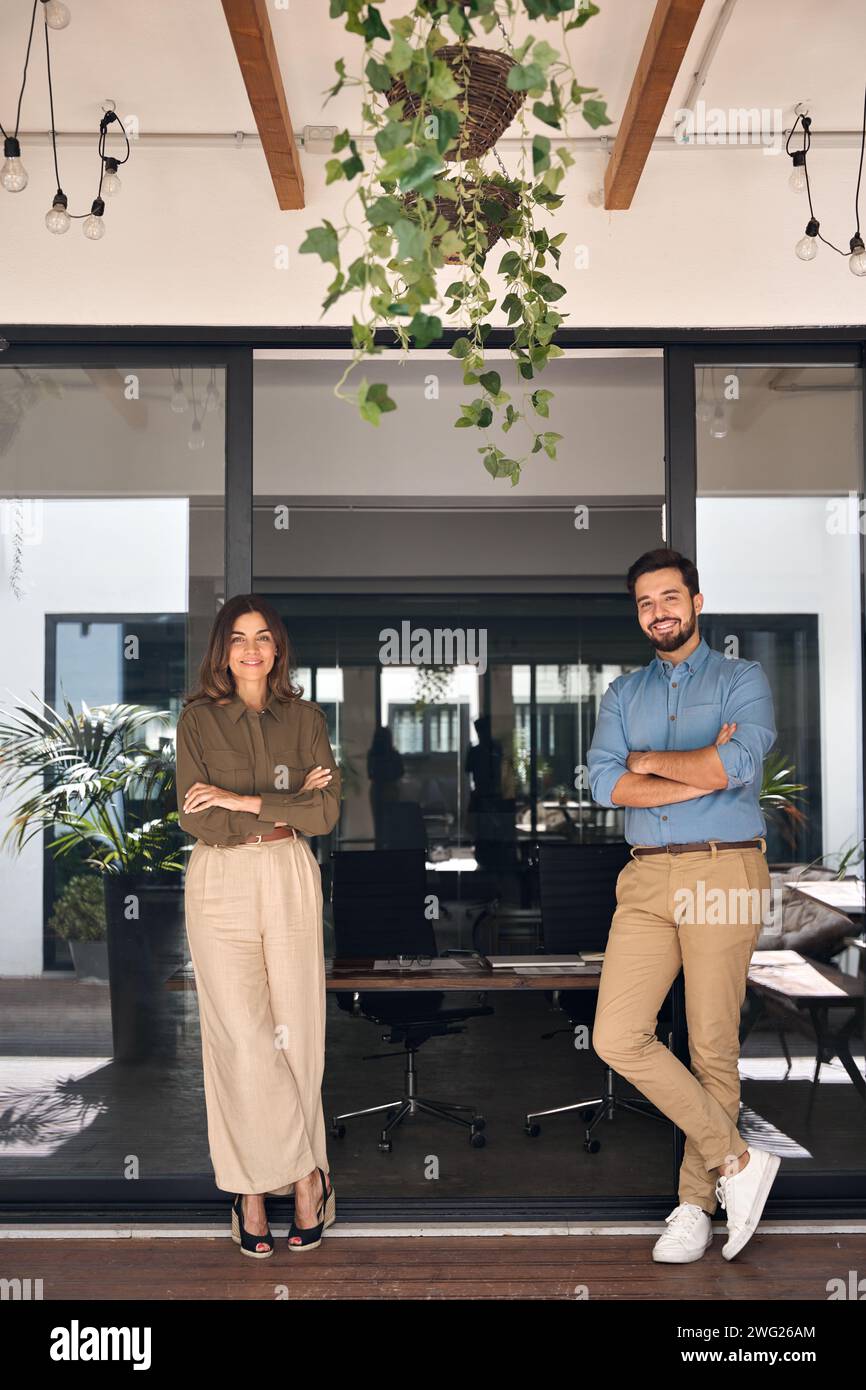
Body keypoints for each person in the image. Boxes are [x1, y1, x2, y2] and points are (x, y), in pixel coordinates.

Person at [587, 548, 781, 1264]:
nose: (659, 611)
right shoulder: (622, 695)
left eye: (670, 597)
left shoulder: (742, 679)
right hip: (644, 879)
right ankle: (737, 1159)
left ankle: (695, 1206)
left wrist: (649, 763)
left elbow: (738, 766)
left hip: (721, 867)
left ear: (696, 602)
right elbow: (604, 784)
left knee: (710, 1045)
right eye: (645, 603)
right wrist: (693, 770)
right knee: (616, 1035)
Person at [175, 594, 341, 1257]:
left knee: (296, 1032)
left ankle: (294, 1182)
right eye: (239, 638)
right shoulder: (196, 720)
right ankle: (271, 1182)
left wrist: (242, 797)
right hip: (219, 879)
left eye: (263, 638)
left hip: (289, 870)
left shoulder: (305, 718)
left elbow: (325, 813)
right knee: (240, 1039)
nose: (251, 648)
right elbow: (196, 817)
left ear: (277, 650)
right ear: (223, 650)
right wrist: (284, 802)